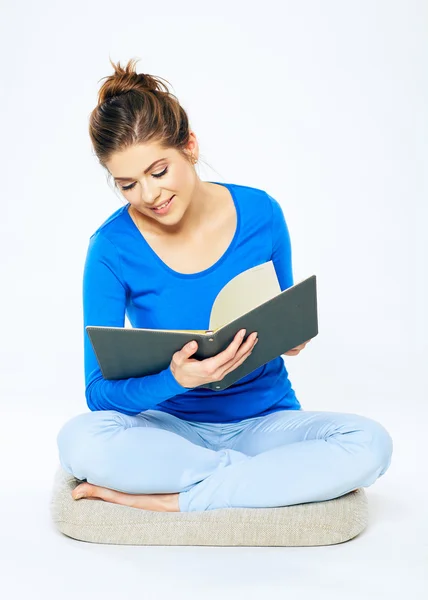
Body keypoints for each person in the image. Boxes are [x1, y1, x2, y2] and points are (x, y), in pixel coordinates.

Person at [56, 57, 393, 513]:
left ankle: (179, 499)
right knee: (80, 441)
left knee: (370, 443)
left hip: (264, 424)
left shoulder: (261, 213)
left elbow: (282, 315)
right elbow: (99, 393)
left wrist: (290, 338)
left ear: (189, 146)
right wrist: (174, 378)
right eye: (128, 185)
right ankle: (254, 483)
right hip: (167, 432)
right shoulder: (111, 248)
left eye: (159, 172)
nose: (149, 195)